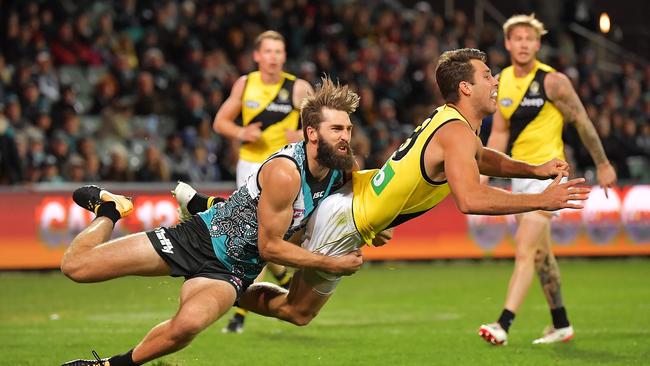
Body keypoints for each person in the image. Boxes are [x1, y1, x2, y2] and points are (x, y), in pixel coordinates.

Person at [178, 48, 590, 329]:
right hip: (351, 217)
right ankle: (224, 285)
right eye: (487, 75)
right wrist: (543, 198)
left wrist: (534, 169)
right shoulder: (458, 134)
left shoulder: (450, 121)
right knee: (296, 310)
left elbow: (483, 158)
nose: (495, 80)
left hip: (358, 192)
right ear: (466, 87)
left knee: (284, 228)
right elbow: (470, 199)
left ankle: (206, 211)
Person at [59, 77, 362, 366]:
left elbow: (365, 207)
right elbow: (270, 248)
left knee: (187, 325)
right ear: (311, 133)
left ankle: (114, 364)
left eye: (348, 129)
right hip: (199, 237)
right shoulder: (287, 172)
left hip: (233, 271)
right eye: (336, 129)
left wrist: (376, 229)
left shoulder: (344, 168)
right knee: (76, 267)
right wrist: (331, 263)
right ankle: (111, 209)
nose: (345, 137)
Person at [478, 14, 617, 346]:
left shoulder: (553, 81)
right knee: (541, 256)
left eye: (530, 38)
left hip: (549, 176)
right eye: (518, 38)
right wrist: (482, 176)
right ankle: (561, 323)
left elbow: (582, 121)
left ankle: (503, 324)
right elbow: (498, 134)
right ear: (508, 43)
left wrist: (603, 163)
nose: (524, 43)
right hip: (521, 176)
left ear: (538, 44)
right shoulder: (503, 81)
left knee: (526, 249)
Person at [212, 30, 314, 332]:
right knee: (257, 234)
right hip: (250, 166)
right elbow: (220, 122)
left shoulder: (297, 88)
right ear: (257, 56)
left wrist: (300, 134)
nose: (273, 57)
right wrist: (241, 133)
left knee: (269, 235)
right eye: (267, 51)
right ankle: (258, 298)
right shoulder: (245, 84)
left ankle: (246, 305)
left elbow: (320, 124)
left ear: (284, 56)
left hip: (285, 167)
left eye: (278, 52)